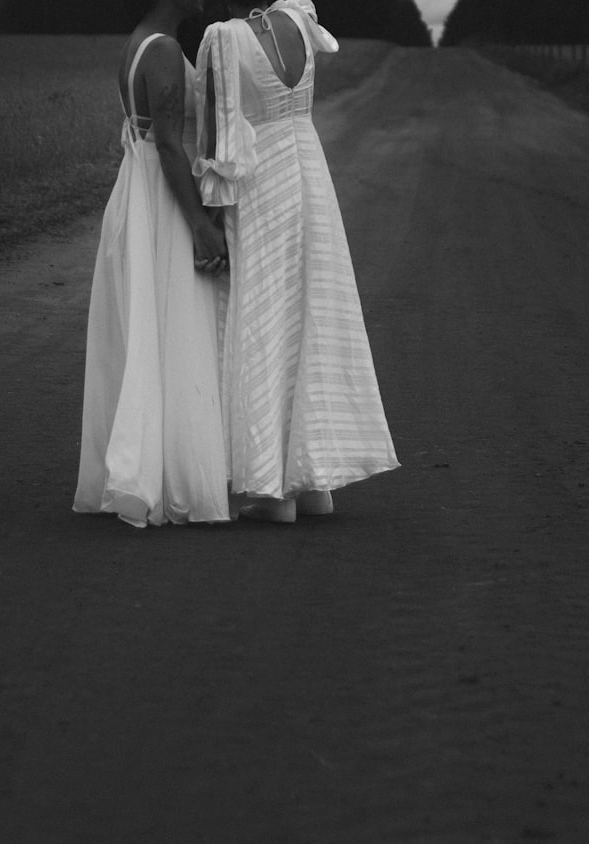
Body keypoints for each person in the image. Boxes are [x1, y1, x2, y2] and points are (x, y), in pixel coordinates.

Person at [193, 0, 399, 523]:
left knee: (263, 317)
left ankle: (272, 489)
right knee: (310, 314)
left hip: (260, 183)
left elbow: (220, 138)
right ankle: (315, 484)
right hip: (309, 172)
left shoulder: (224, 38)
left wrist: (210, 216)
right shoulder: (301, 23)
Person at [73, 0, 232, 527]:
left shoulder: (139, 40)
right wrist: (201, 225)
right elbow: (168, 145)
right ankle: (172, 475)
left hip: (135, 189)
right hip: (160, 199)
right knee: (172, 328)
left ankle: (146, 465)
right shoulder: (163, 50)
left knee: (147, 328)